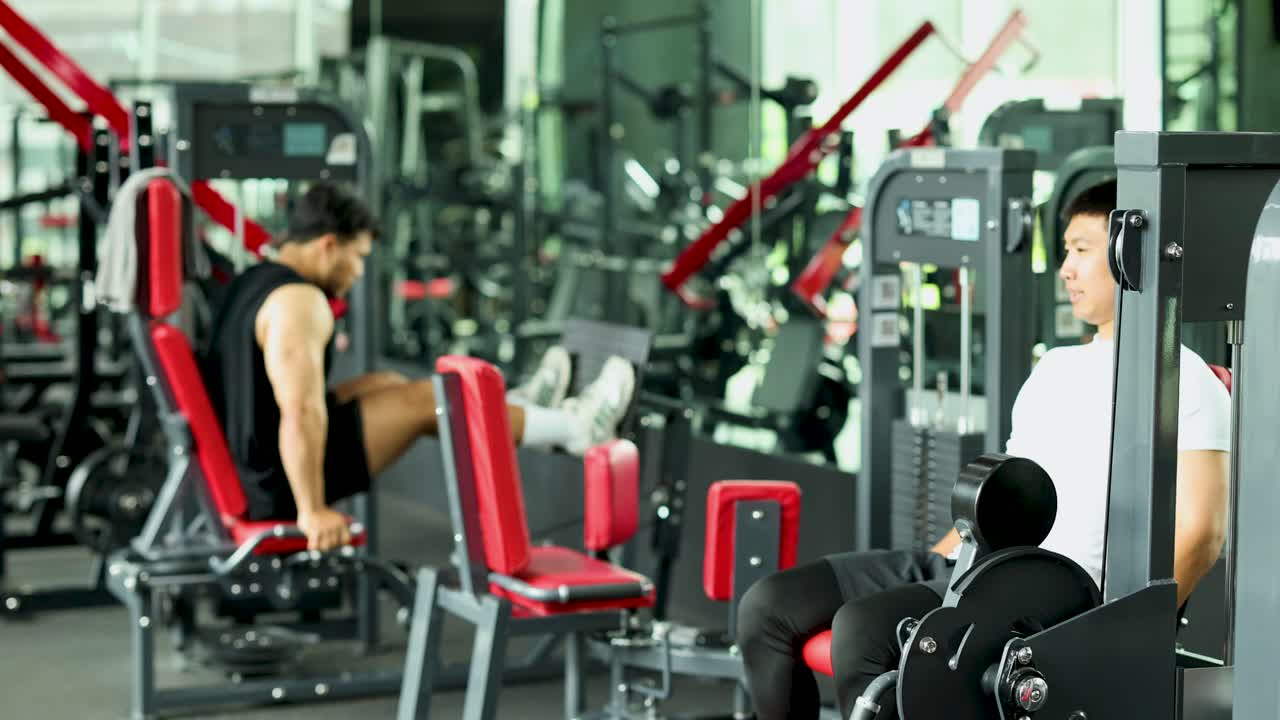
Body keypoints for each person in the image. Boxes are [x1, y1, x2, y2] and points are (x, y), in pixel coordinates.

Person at [735, 180, 1231, 719]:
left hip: (1046, 590)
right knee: (768, 608)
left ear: (1126, 254)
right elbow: (1009, 488)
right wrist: (948, 552)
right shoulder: (1054, 366)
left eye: (1082, 251)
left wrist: (1114, 628)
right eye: (1065, 251)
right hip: (972, 560)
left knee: (863, 630)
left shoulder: (1184, 379)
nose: (1065, 268)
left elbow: (1202, 531)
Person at [201, 182, 635, 552]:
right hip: (276, 485)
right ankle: (576, 427)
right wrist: (311, 510)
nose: (358, 272)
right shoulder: (300, 302)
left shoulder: (253, 280)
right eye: (357, 256)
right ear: (328, 245)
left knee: (389, 383)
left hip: (257, 461)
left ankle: (518, 411)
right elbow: (301, 412)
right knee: (430, 400)